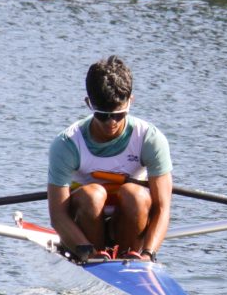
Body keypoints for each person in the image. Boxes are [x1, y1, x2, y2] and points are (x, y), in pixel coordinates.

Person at [47, 56, 172, 263]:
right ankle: (95, 257)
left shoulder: (150, 139)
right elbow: (58, 215)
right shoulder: (67, 144)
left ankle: (130, 257)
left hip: (129, 221)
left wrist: (149, 253)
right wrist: (87, 251)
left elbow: (162, 208)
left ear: (130, 101)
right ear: (88, 103)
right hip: (85, 226)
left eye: (119, 114)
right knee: (92, 195)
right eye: (102, 115)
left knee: (135, 195)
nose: (111, 123)